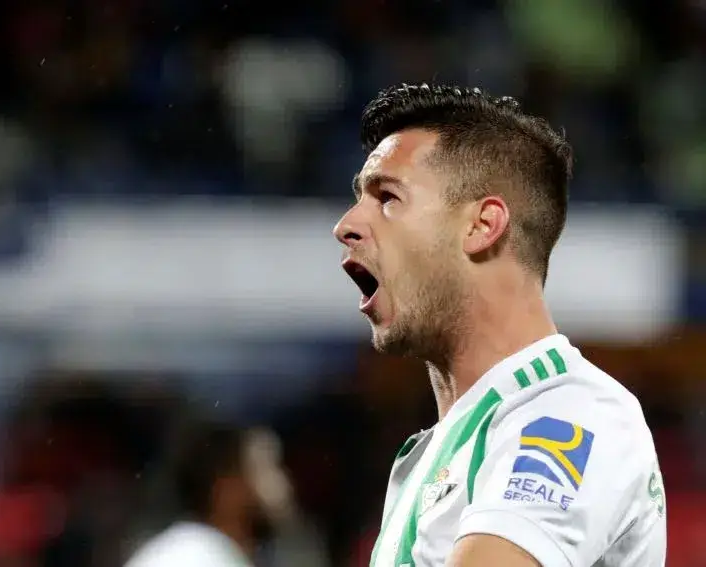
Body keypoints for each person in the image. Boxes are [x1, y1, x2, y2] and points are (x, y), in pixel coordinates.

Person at [333, 83, 667, 567]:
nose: (346, 224)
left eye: (387, 197)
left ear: (482, 226)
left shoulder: (570, 415)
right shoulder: (440, 449)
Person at [124, 425, 301, 567]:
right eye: (265, 469)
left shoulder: (211, 552)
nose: (284, 482)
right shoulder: (190, 557)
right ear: (225, 488)